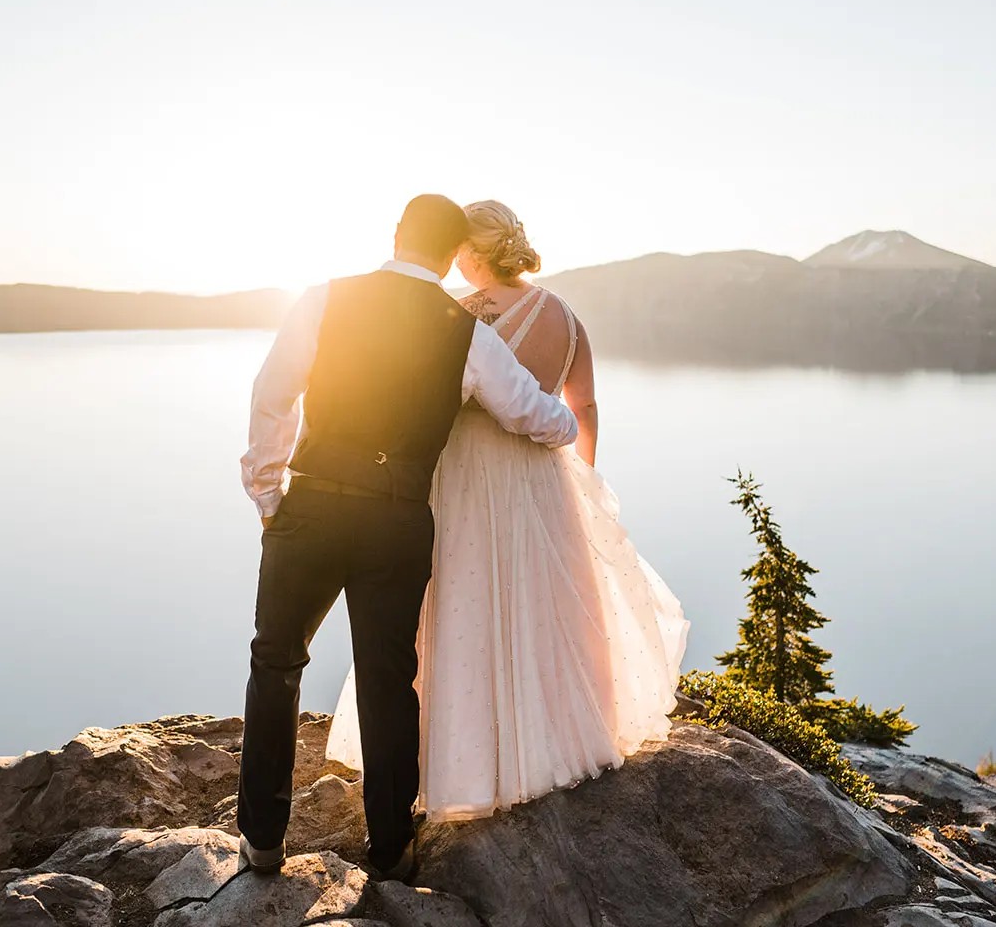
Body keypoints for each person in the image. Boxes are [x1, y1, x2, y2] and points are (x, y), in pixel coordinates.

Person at [236, 194, 578, 882]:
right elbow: (528, 413)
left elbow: (273, 394)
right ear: (454, 252)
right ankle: (391, 847)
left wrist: (269, 494)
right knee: (391, 681)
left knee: (275, 663)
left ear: (395, 235)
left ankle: (264, 841)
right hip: (396, 520)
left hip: (313, 506)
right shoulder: (466, 333)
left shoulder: (325, 299)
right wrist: (568, 426)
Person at [326, 200, 688, 826]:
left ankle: (458, 764)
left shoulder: (458, 316)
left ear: (470, 251)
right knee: (544, 612)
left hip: (460, 478)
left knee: (458, 609)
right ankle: (556, 744)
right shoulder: (565, 318)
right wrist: (583, 478)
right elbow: (585, 407)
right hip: (541, 479)